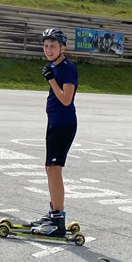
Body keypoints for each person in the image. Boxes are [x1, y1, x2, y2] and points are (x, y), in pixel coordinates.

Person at [37, 27, 77, 237]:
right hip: (54, 122)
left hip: (64, 124)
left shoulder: (67, 68)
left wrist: (51, 79)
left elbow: (66, 99)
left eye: (53, 46)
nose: (49, 49)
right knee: (49, 169)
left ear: (63, 47)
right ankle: (54, 211)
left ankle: (58, 219)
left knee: (55, 169)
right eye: (46, 46)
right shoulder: (54, 65)